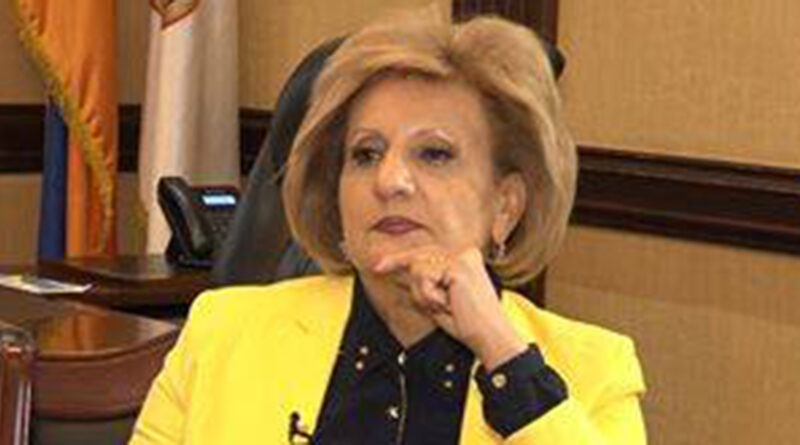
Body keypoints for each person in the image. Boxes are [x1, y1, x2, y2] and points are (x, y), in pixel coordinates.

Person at [131, 8, 646, 445]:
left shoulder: (593, 372)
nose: (389, 180)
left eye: (434, 154)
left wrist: (503, 355)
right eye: (366, 154)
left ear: (505, 207)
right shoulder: (222, 333)